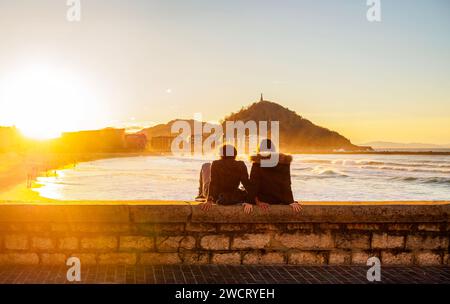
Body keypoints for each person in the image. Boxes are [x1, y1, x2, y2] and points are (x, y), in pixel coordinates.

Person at [248, 139, 302, 213]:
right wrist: (290, 201)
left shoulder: (257, 162)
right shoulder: (284, 162)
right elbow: (286, 183)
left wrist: (250, 201)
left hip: (264, 200)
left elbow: (254, 183)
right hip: (279, 199)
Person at [200, 144, 253, 213]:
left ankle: (201, 194)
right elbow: (246, 184)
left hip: (216, 195)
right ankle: (201, 194)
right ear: (235, 154)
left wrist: (209, 200)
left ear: (221, 154)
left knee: (206, 165)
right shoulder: (241, 164)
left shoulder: (216, 164)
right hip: (232, 194)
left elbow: (213, 183)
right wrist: (249, 201)